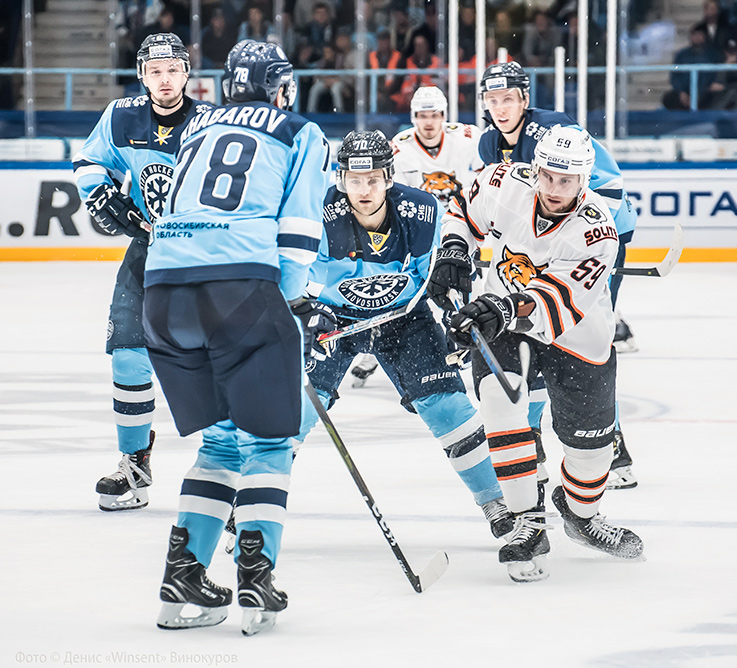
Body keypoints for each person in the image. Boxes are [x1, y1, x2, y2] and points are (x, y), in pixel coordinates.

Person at [143, 39, 329, 636]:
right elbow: (298, 227)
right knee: (270, 442)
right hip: (240, 291)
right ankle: (256, 577)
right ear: (281, 86)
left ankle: (185, 573)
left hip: (163, 294)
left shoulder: (195, 127)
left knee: (222, 443)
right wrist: (295, 302)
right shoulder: (299, 129)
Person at [429, 125, 644, 582]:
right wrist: (454, 249)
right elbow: (462, 209)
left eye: (565, 181)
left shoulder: (598, 229)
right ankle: (527, 521)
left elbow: (558, 301)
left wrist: (501, 306)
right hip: (505, 328)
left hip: (577, 337)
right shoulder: (506, 181)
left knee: (591, 455)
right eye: (547, 176)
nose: (553, 189)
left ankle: (580, 515)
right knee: (501, 409)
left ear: (584, 180)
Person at [294, 130, 514, 540]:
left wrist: (452, 305)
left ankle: (495, 502)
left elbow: (437, 276)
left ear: (389, 177)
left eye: (373, 179)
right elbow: (294, 271)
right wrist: (307, 309)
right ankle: (254, 501)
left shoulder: (421, 209)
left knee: (449, 409)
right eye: (354, 180)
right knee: (296, 411)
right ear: (341, 179)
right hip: (335, 321)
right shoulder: (317, 211)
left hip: (403, 320)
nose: (364, 189)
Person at [476, 60, 639, 489]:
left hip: (599, 236)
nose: (500, 107)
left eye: (508, 98)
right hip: (542, 255)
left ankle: (612, 441)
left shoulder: (552, 130)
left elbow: (607, 187)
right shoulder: (489, 145)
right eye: (492, 100)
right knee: (526, 337)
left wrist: (586, 238)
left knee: (582, 336)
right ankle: (531, 438)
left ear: (524, 99)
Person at [74, 33, 211, 512]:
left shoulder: (209, 123)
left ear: (187, 73)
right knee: (128, 354)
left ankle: (230, 468)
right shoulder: (121, 114)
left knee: (213, 367)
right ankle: (134, 464)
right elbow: (89, 161)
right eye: (156, 71)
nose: (165, 79)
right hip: (148, 250)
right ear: (142, 74)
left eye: (173, 69)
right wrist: (100, 193)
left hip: (206, 256)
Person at [345, 86, 483, 388]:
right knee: (400, 285)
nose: (429, 122)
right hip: (421, 228)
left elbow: (484, 183)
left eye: (434, 115)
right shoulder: (399, 147)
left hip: (461, 224)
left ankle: (460, 336)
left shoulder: (469, 138)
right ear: (413, 117)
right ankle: (375, 343)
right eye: (422, 115)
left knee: (460, 280)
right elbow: (392, 200)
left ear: (444, 116)